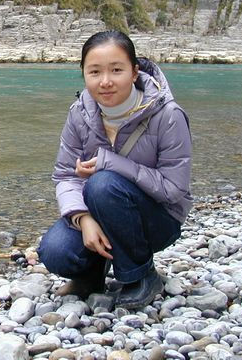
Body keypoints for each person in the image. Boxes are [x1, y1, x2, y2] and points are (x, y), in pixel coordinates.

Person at [37, 30, 192, 309]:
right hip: (99, 209)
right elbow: (65, 175)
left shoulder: (168, 115)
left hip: (158, 219)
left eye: (116, 70)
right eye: (95, 72)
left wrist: (110, 163)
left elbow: (173, 189)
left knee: (103, 183)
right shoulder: (80, 113)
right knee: (56, 252)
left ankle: (140, 275)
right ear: (84, 74)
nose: (105, 81)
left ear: (134, 72)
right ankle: (92, 274)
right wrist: (83, 218)